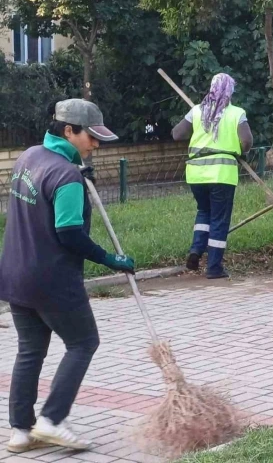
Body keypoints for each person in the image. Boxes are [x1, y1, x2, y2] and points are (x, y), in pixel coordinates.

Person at [0, 99, 136, 453]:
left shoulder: (29, 158)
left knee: (29, 351)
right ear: (68, 131)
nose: (96, 145)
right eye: (91, 137)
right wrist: (110, 259)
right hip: (53, 281)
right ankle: (52, 420)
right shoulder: (66, 176)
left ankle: (20, 430)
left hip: (16, 274)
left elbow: (44, 198)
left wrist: (76, 171)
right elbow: (70, 233)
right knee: (83, 343)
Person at [172, 73, 253, 279]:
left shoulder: (197, 111)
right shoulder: (236, 113)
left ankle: (196, 250)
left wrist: (198, 123)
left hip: (196, 174)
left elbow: (177, 134)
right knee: (219, 220)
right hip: (221, 174)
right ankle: (214, 268)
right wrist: (240, 151)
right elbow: (247, 141)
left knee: (204, 212)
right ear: (230, 91)